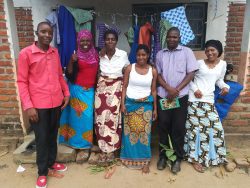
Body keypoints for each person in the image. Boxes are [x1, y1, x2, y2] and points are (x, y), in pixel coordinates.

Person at [17, 22, 70, 188]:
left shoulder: (55, 52)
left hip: (56, 102)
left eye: (50, 32)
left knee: (53, 134)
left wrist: (66, 93)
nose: (47, 35)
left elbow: (60, 75)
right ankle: (42, 172)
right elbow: (22, 81)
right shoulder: (26, 54)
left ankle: (51, 162)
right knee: (41, 138)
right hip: (37, 105)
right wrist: (28, 106)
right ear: (37, 33)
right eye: (43, 32)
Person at [155, 27, 199, 174]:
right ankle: (163, 156)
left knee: (178, 128)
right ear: (166, 37)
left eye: (175, 37)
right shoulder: (160, 54)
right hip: (164, 96)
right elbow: (158, 75)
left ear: (179, 38)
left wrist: (176, 90)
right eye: (169, 37)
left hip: (180, 97)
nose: (172, 39)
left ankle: (177, 158)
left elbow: (191, 73)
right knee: (163, 126)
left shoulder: (187, 52)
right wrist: (168, 88)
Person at [184, 40, 230, 173]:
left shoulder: (222, 64)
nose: (210, 53)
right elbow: (189, 79)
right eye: (207, 50)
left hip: (209, 100)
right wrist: (195, 89)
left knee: (216, 128)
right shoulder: (198, 64)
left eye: (213, 50)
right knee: (194, 130)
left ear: (218, 51)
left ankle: (215, 157)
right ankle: (194, 159)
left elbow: (219, 80)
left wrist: (225, 87)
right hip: (194, 100)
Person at [58, 30, 99, 163]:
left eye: (87, 40)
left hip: (91, 90)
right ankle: (80, 146)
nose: (85, 43)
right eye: (82, 40)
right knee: (79, 119)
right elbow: (69, 73)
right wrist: (71, 60)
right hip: (77, 90)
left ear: (91, 41)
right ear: (78, 41)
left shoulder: (96, 54)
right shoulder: (75, 55)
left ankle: (86, 144)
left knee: (88, 117)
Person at [120, 44, 158, 173]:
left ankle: (145, 161)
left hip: (146, 106)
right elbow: (124, 86)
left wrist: (155, 109)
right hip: (130, 104)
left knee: (144, 135)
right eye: (138, 55)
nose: (141, 57)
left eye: (144, 55)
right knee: (129, 134)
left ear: (148, 56)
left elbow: (153, 90)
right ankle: (128, 158)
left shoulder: (153, 70)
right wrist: (122, 104)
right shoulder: (130, 68)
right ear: (135, 56)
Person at [95, 30, 130, 163]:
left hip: (116, 87)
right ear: (104, 41)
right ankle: (103, 149)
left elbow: (127, 70)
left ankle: (112, 149)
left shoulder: (122, 54)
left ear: (116, 41)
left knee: (114, 119)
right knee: (101, 119)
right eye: (108, 39)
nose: (110, 41)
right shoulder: (100, 54)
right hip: (102, 88)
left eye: (113, 39)